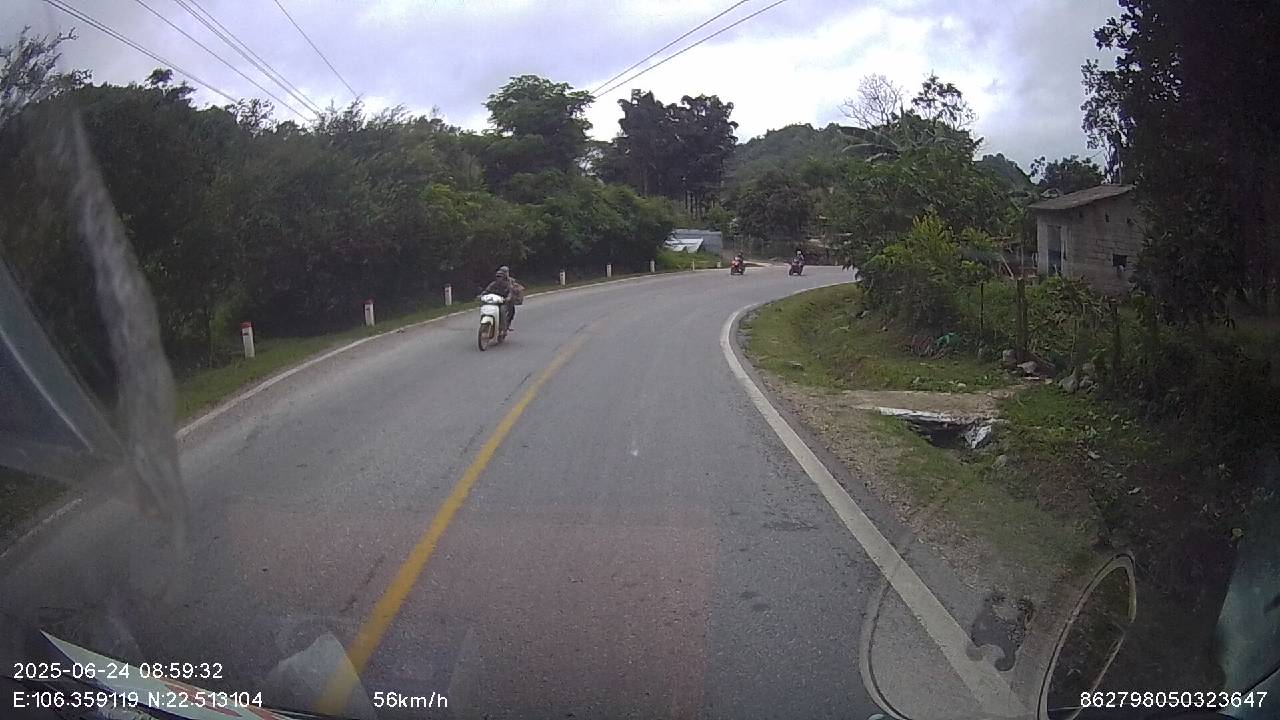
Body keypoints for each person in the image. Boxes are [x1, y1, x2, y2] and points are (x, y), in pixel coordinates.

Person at [482, 266, 519, 330]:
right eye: (497, 276)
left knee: (504, 310)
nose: (499, 278)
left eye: (500, 277)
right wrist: (483, 294)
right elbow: (487, 289)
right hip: (495, 300)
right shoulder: (494, 283)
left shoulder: (508, 283)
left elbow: (510, 291)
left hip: (504, 301)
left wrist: (509, 297)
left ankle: (504, 327)